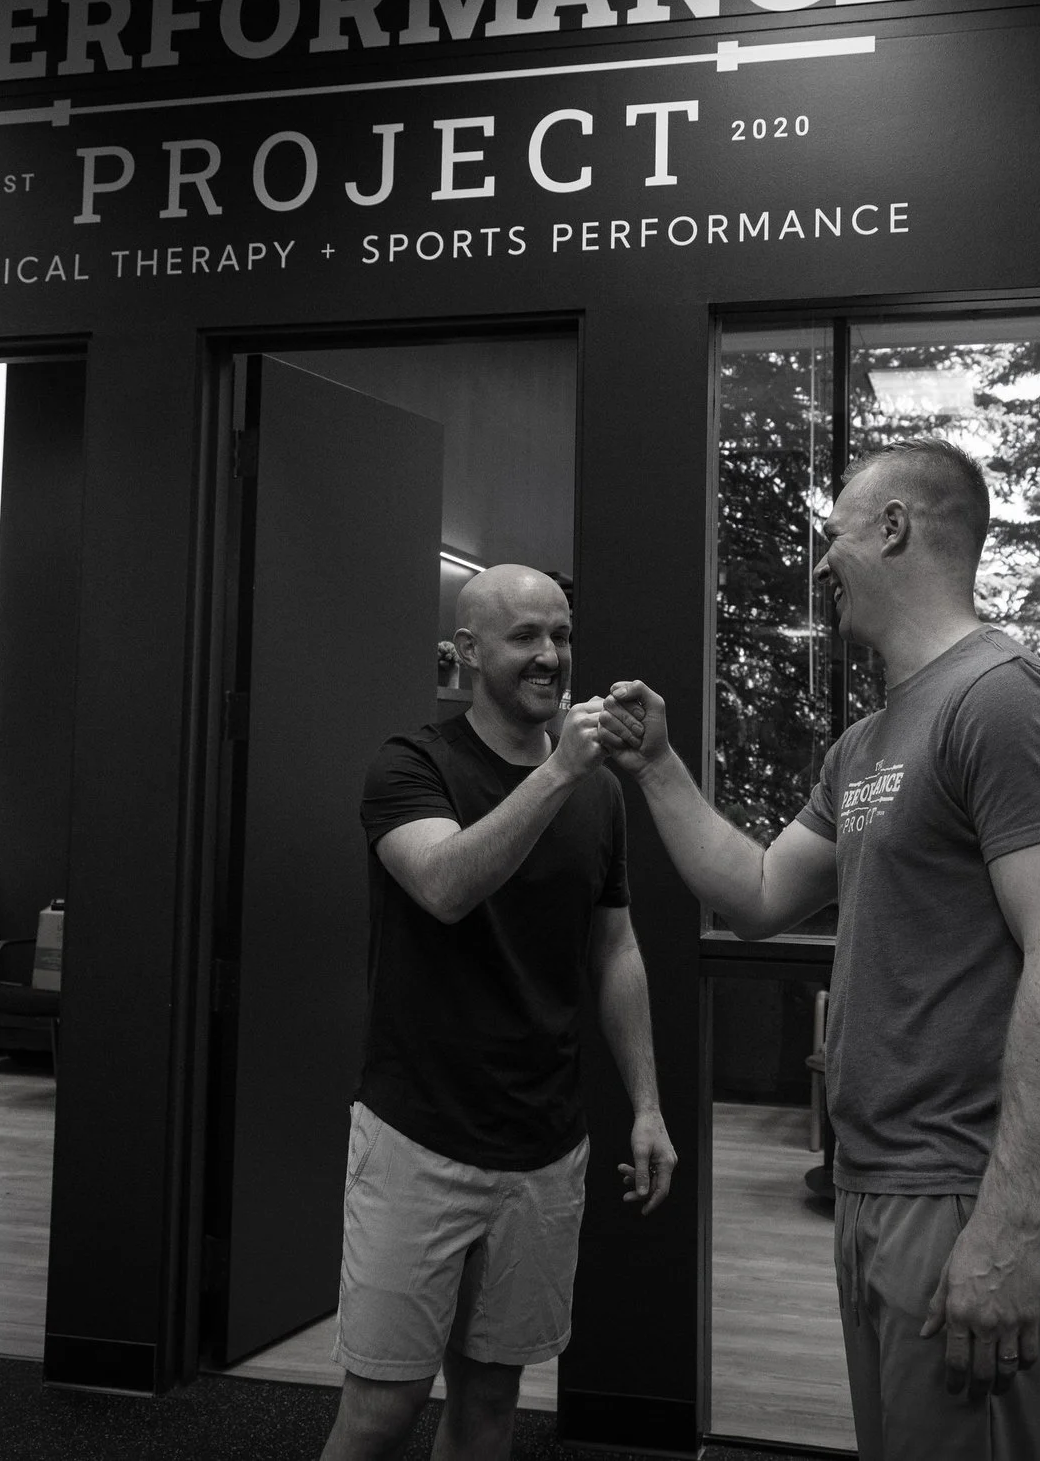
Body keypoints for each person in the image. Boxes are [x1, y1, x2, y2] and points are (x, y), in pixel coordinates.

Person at [602, 437, 1040, 1461]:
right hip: (879, 1183)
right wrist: (655, 765)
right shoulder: (867, 743)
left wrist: (1007, 1223)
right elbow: (756, 894)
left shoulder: (1005, 699)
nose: (821, 560)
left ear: (892, 527)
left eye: (832, 534)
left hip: (969, 1186)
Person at [321, 563, 678, 1461]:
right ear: (469, 651)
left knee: (489, 1403)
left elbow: (615, 949)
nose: (551, 655)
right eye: (525, 636)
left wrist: (646, 1104)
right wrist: (559, 770)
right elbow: (445, 885)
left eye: (561, 633)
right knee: (382, 1409)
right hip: (418, 1135)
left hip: (544, 1146)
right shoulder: (412, 765)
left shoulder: (598, 791)